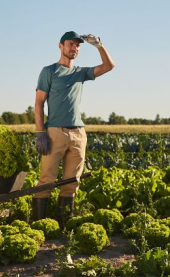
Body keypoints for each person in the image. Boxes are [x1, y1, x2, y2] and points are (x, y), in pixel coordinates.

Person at [32, 31, 115, 227]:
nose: (74, 48)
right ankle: (38, 226)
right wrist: (40, 132)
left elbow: (108, 66)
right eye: (70, 44)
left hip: (78, 134)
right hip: (54, 133)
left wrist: (99, 46)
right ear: (60, 46)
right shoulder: (49, 71)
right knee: (46, 181)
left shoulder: (80, 72)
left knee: (71, 183)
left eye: (77, 46)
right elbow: (38, 103)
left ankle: (64, 228)